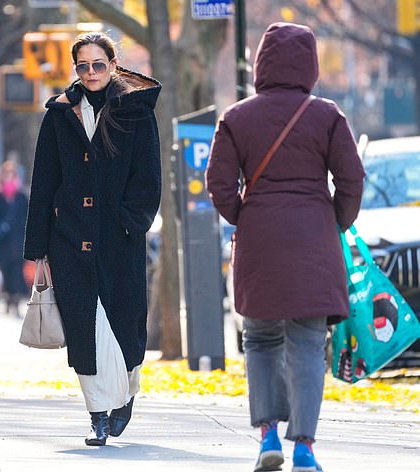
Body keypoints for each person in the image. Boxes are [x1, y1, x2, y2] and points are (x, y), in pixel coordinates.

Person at [206, 23, 365, 472]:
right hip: (314, 239)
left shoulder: (237, 117)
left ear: (261, 64)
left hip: (259, 243)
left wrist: (242, 215)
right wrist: (336, 219)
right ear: (311, 65)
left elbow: (218, 182)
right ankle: (306, 449)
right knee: (310, 344)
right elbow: (352, 179)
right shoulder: (328, 116)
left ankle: (268, 436)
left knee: (259, 340)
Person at [24, 32, 161, 447]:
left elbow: (148, 178)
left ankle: (125, 393)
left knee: (125, 327)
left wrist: (129, 223)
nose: (90, 73)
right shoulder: (59, 115)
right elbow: (43, 183)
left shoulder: (136, 113)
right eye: (82, 66)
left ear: (113, 64)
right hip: (70, 242)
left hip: (120, 240)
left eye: (97, 64)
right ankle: (97, 414)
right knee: (87, 329)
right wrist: (37, 248)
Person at [0, 161, 29, 315]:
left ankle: (15, 300)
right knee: (5, 269)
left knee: (17, 269)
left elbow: (29, 218)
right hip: (3, 241)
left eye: (12, 175)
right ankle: (9, 297)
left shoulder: (22, 197)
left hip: (19, 238)